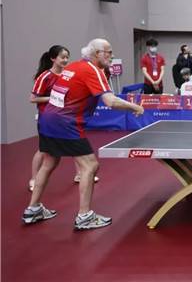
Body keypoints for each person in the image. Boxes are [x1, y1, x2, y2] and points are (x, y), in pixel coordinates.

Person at [23, 38, 144, 230]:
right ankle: (85, 216)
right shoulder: (93, 70)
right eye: (109, 52)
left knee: (49, 162)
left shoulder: (74, 66)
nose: (111, 56)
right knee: (90, 165)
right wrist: (134, 106)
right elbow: (110, 101)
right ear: (97, 54)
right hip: (66, 122)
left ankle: (33, 208)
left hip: (48, 119)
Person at [29, 45, 71, 192]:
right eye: (62, 57)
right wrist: (53, 98)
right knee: (43, 151)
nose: (65, 60)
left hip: (65, 117)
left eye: (67, 57)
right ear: (53, 58)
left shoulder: (68, 75)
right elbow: (33, 99)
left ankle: (80, 174)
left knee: (76, 145)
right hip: (47, 118)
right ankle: (34, 179)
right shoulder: (45, 76)